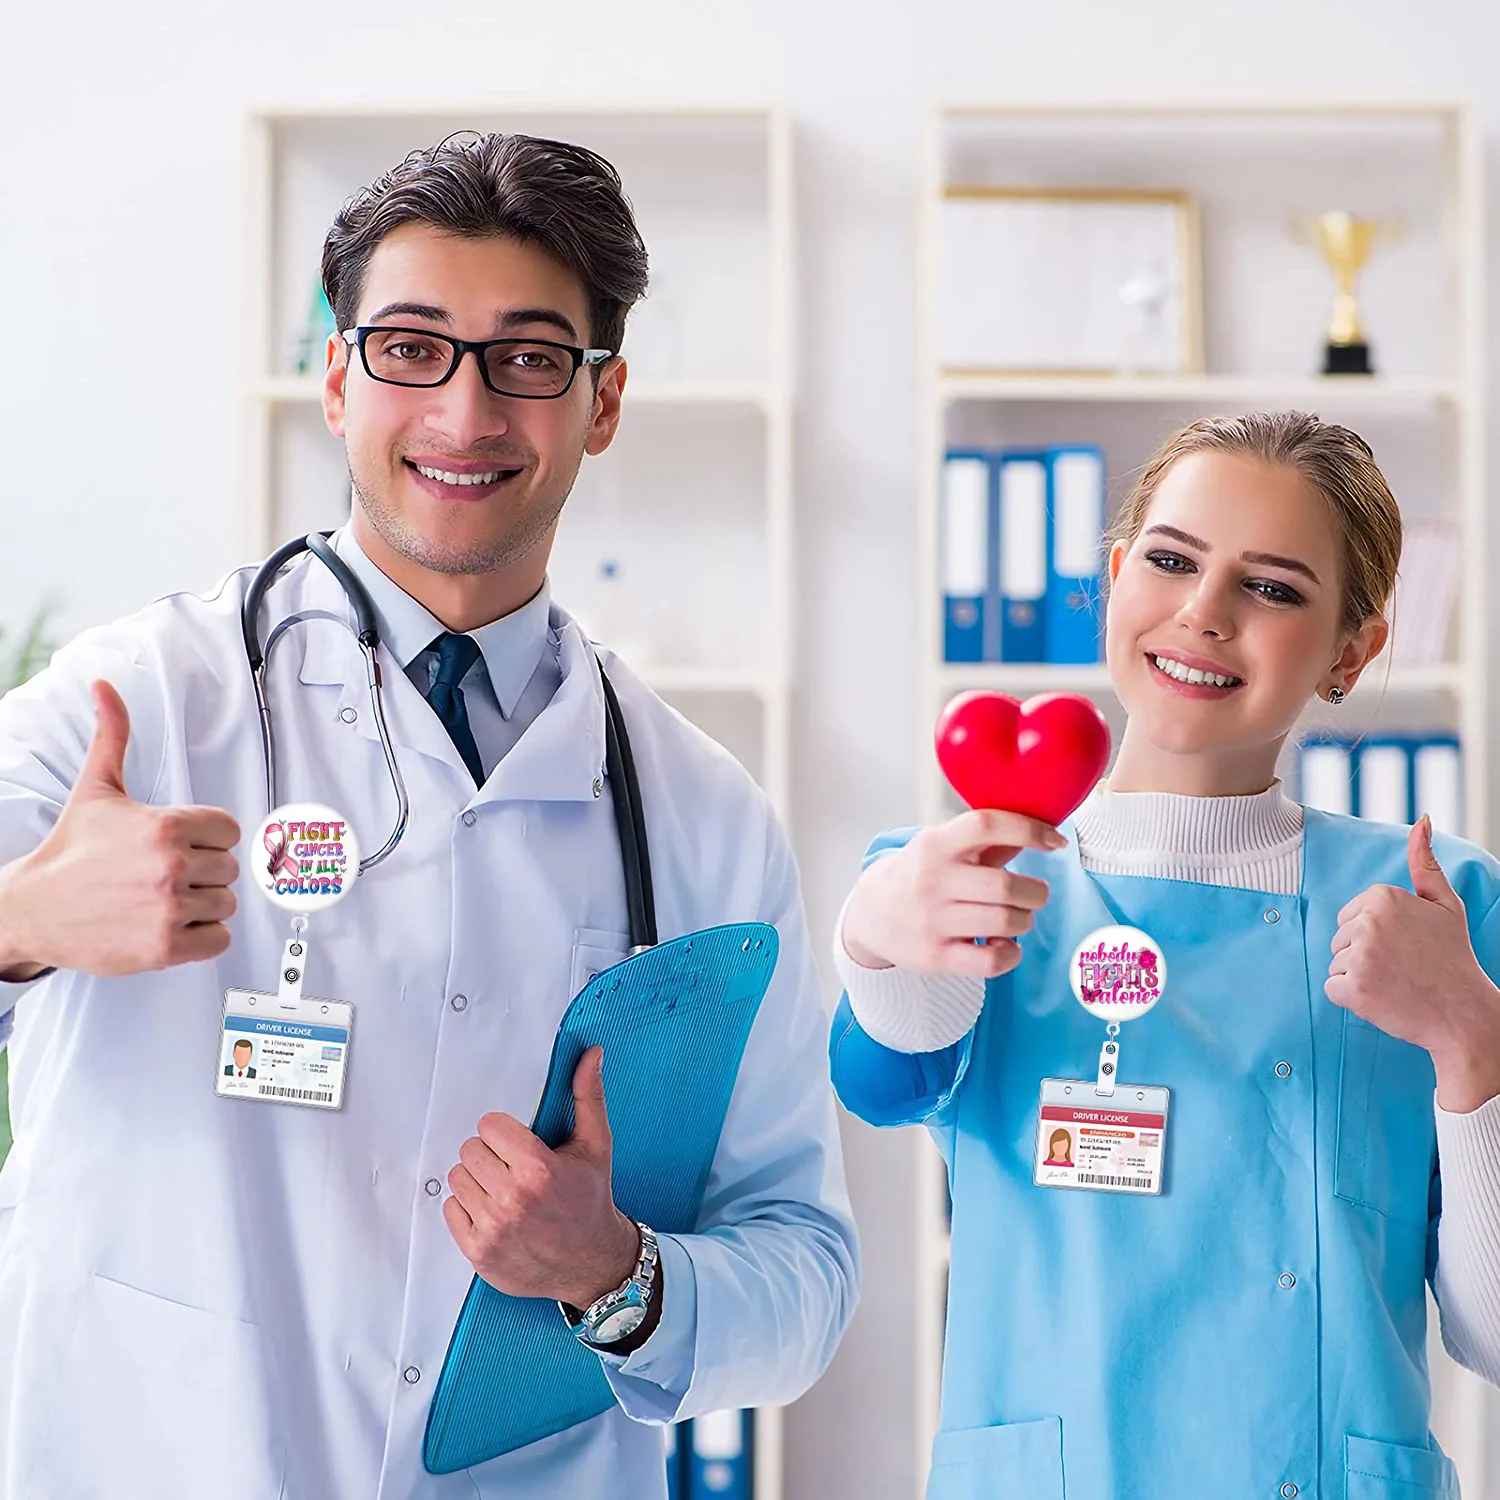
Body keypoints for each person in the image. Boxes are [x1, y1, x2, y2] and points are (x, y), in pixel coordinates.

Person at [0, 132, 857, 1500]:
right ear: (337, 379)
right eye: (410, 348)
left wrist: (617, 1277)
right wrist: (22, 923)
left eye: (527, 358)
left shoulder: (700, 813)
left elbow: (804, 1271)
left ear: (604, 402)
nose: (464, 415)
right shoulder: (141, 703)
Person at [830, 412, 1500, 1500]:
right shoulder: (967, 881)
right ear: (1113, 576)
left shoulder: (1436, 910)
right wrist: (870, 936)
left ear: (1353, 648)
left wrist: (1473, 1039)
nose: (1203, 613)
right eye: (1172, 560)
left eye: (1273, 588)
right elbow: (882, 1071)